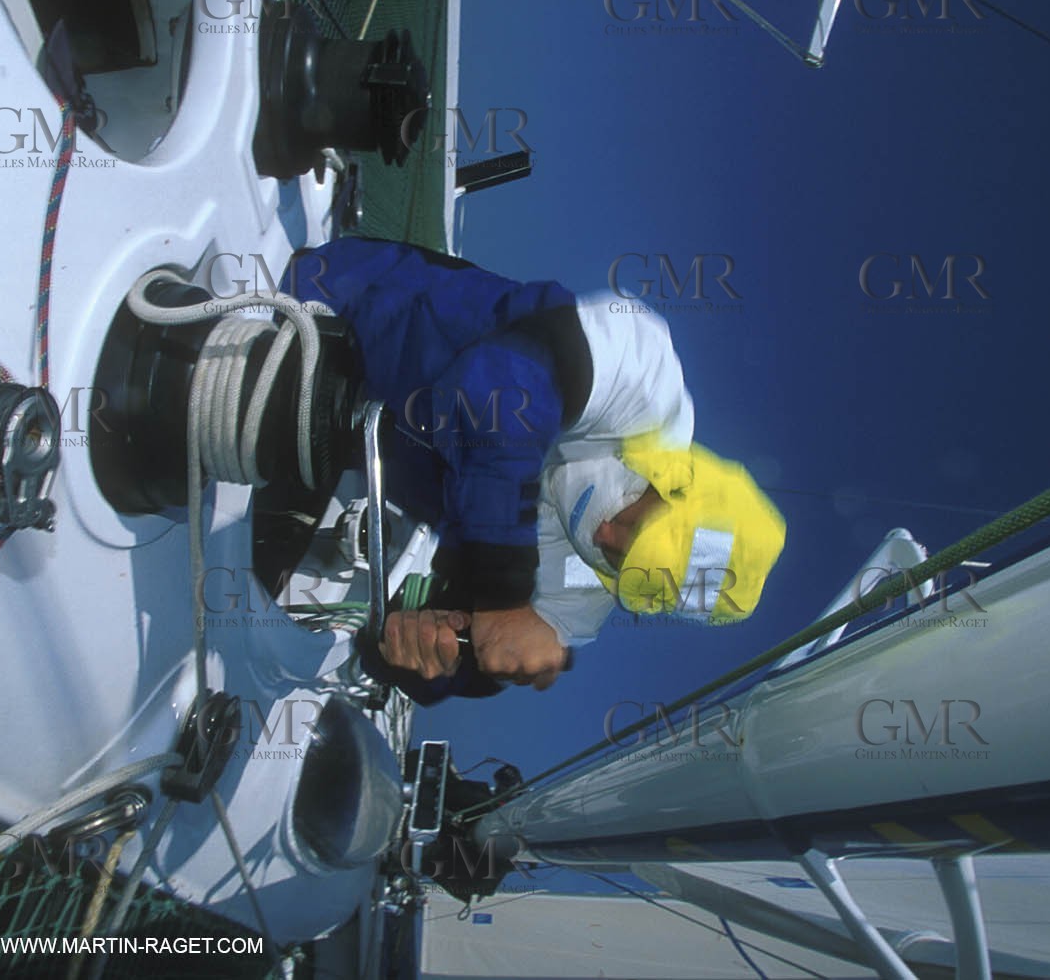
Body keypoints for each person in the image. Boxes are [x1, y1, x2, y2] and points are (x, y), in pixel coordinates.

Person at [291, 237, 786, 701]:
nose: (606, 538)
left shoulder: (581, 596)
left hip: (326, 452)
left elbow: (492, 655)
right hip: (330, 306)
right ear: (675, 485)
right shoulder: (646, 380)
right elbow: (498, 389)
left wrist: (432, 656)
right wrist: (502, 591)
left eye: (625, 564)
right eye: (639, 530)